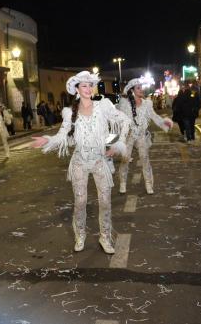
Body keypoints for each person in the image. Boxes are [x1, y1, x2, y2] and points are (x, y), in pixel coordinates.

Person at [31, 71, 130, 254]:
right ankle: (80, 235)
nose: (88, 88)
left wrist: (119, 144)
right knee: (80, 201)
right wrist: (47, 140)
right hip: (79, 162)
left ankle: (105, 237)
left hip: (100, 160)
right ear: (77, 89)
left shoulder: (103, 106)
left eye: (90, 85)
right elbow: (63, 136)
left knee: (106, 202)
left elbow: (124, 121)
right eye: (83, 85)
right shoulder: (70, 113)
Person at [117, 78, 173, 194]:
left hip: (141, 135)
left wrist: (164, 122)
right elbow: (117, 117)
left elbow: (154, 116)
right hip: (129, 135)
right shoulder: (125, 105)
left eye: (141, 87)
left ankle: (148, 183)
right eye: (138, 88)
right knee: (125, 160)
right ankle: (122, 182)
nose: (141, 90)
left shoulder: (147, 104)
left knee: (145, 159)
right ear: (132, 91)